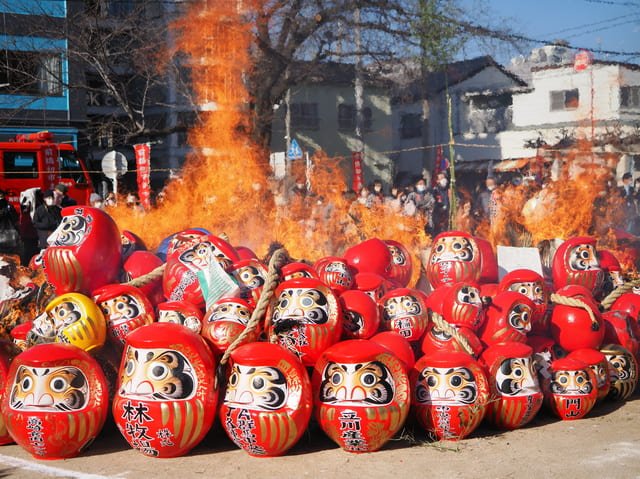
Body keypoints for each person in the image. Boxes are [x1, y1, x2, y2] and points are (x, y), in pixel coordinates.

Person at [0, 189, 20, 255]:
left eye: (2, 195)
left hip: (9, 233)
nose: (1, 197)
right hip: (2, 231)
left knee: (10, 255)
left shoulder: (9, 205)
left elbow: (15, 218)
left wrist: (10, 210)